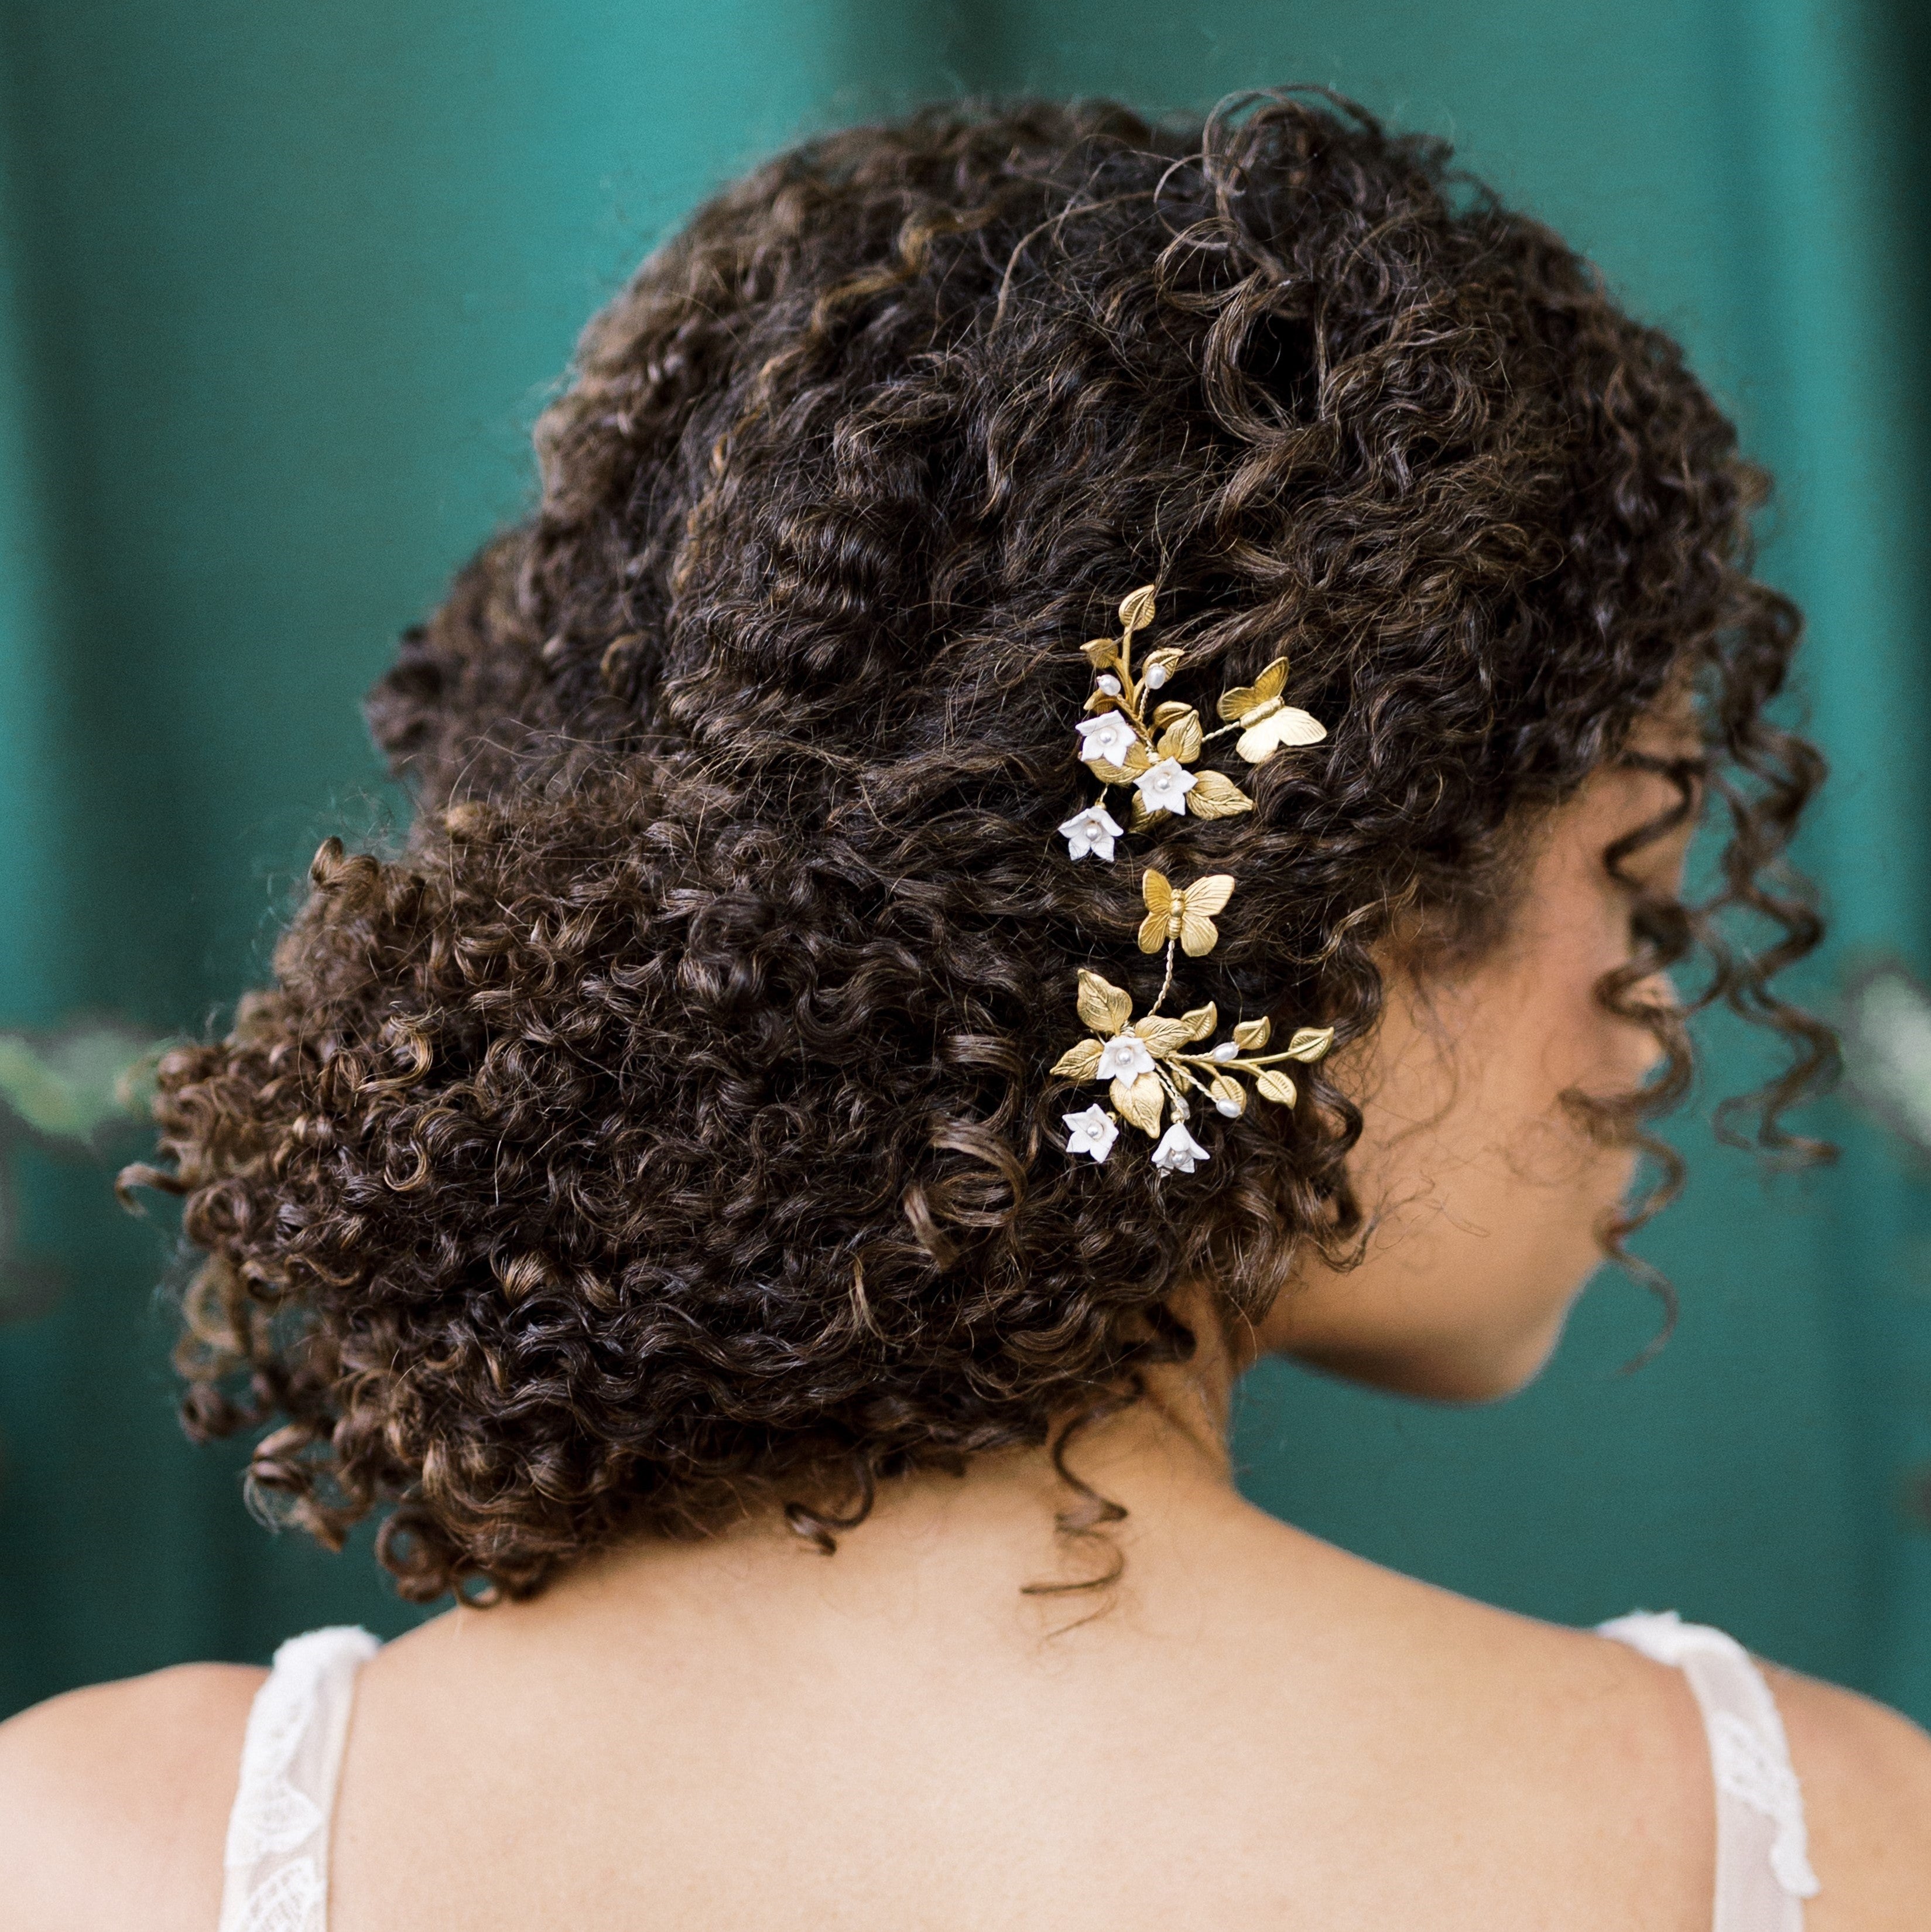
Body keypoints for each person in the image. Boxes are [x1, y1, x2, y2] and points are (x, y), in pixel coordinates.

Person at [2, 91, 1927, 1931]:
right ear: (1316, 897)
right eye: (1640, 896)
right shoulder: (1819, 1843)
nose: (1644, 1035)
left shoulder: (96, 1849)